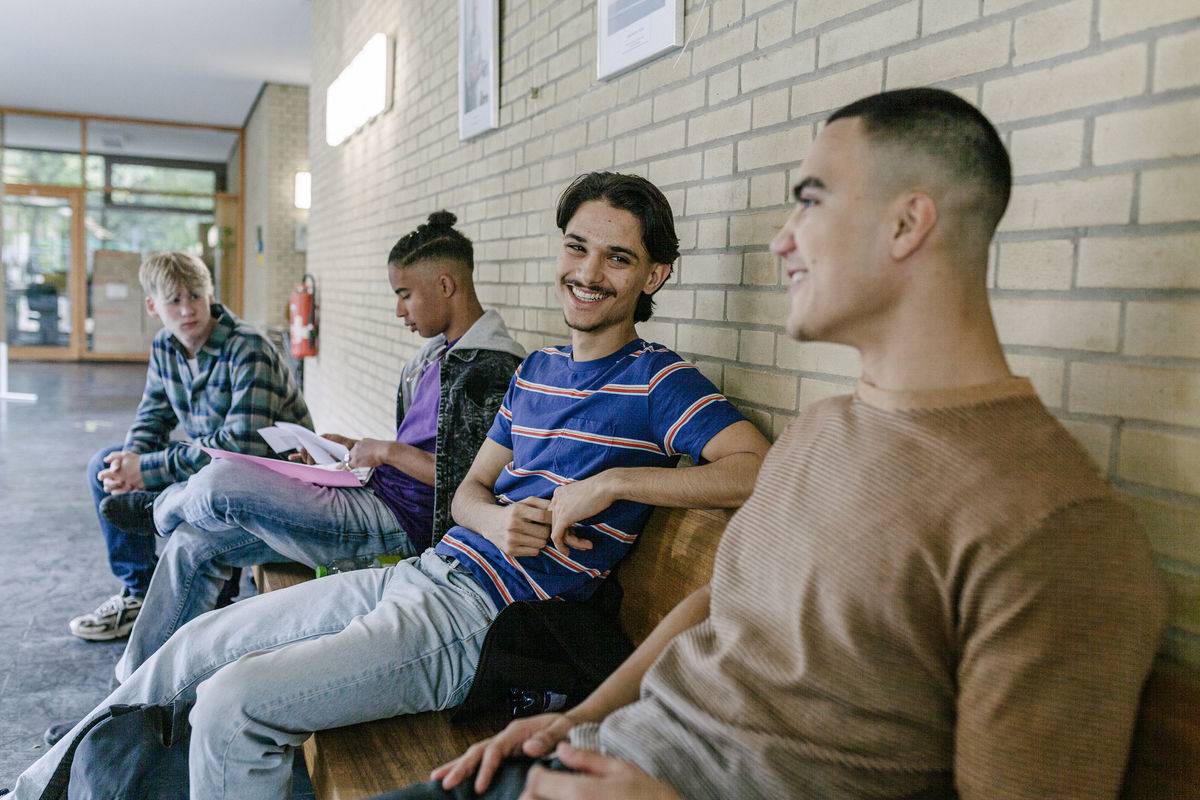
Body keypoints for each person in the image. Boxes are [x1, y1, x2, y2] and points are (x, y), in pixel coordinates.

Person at [388, 89, 1170, 800]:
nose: (781, 242)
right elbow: (718, 606)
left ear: (907, 224)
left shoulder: (1056, 524)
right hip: (586, 758)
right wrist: (575, 721)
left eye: (811, 201)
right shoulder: (822, 431)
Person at [9, 172, 770, 800]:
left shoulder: (658, 381)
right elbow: (467, 492)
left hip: (480, 618)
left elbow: (758, 467)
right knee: (194, 645)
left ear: (653, 275)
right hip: (427, 571)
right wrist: (494, 521)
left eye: (617, 258)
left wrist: (612, 482)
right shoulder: (536, 371)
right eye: (577, 247)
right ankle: (37, 787)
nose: (589, 273)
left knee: (232, 706)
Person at [110, 211, 526, 681]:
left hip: (398, 526)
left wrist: (386, 452)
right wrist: (354, 451)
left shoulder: (490, 369)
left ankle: (158, 510)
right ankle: (130, 690)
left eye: (404, 294)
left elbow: (472, 483)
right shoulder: (438, 355)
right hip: (372, 495)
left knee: (220, 481)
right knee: (192, 543)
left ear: (446, 285)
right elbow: (423, 449)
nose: (399, 310)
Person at [71, 251, 310, 642]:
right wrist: (129, 463)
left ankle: (206, 595)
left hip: (266, 479)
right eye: (174, 300)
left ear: (210, 294)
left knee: (208, 482)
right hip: (211, 467)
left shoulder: (249, 348)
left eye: (195, 296)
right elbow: (153, 416)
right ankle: (139, 592)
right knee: (104, 465)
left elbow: (241, 446)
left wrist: (148, 469)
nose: (188, 309)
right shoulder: (166, 346)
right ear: (153, 306)